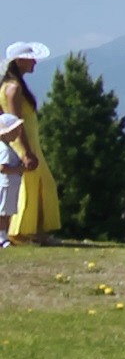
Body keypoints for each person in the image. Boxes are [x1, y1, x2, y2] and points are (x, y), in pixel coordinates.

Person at [2, 41, 60, 244]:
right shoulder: (13, 88)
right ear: (19, 61)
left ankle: (30, 230)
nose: (34, 62)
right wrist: (26, 152)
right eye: (30, 59)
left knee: (39, 185)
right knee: (31, 186)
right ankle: (21, 231)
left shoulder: (10, 86)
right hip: (23, 143)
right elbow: (15, 121)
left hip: (28, 142)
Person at [0, 112, 24, 248]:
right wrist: (20, 169)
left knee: (7, 211)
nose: (18, 132)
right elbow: (3, 168)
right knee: (3, 212)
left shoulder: (6, 147)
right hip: (6, 184)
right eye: (15, 130)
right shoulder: (4, 149)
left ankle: (4, 236)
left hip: (10, 184)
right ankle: (2, 237)